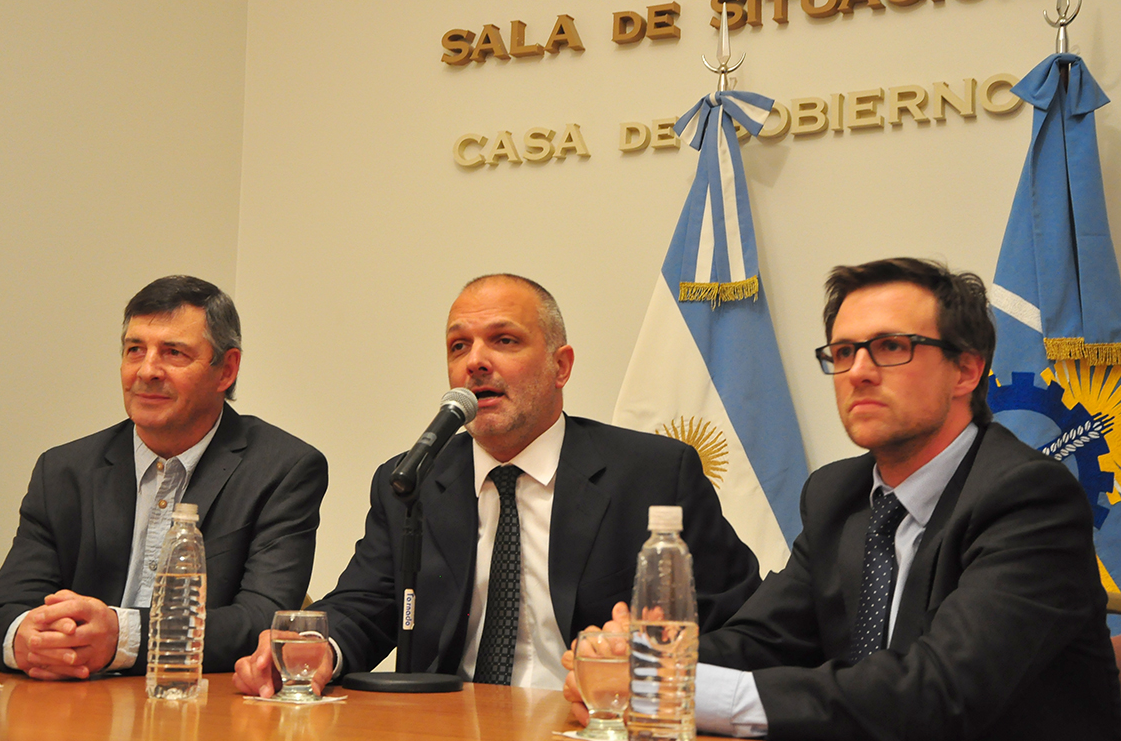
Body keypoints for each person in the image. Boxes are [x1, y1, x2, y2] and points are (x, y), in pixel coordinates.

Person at [565, 258, 1121, 740]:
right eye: (844, 352)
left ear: (966, 370)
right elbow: (764, 639)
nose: (858, 373)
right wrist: (644, 663)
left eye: (891, 348)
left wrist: (679, 689)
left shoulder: (1028, 498)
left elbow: (941, 691)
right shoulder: (838, 494)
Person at [234, 273, 760, 696]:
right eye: (458, 346)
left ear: (561, 366)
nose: (475, 362)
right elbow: (365, 605)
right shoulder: (415, 479)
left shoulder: (654, 474)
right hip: (447, 725)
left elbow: (736, 617)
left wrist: (648, 654)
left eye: (504, 341)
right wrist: (317, 648)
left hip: (589, 720)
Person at [0, 275, 328, 679]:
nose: (147, 371)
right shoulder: (64, 470)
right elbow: (5, 611)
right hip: (75, 696)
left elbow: (261, 621)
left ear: (226, 369)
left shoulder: (283, 469)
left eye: (173, 353)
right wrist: (26, 641)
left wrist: (121, 638)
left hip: (198, 702)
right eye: (135, 350)